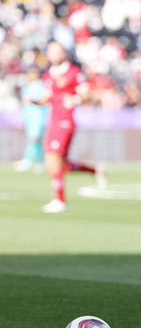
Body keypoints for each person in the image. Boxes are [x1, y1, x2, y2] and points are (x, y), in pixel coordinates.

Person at [36, 42, 105, 213]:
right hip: (53, 121)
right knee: (60, 164)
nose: (54, 55)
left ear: (63, 54)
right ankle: (94, 170)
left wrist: (75, 99)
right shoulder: (48, 75)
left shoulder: (73, 72)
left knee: (53, 159)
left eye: (57, 51)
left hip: (65, 121)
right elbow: (47, 97)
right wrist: (35, 102)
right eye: (51, 52)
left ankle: (60, 200)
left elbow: (86, 95)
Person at [13, 67, 48, 172]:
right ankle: (40, 161)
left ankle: (29, 159)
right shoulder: (27, 87)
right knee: (33, 139)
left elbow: (44, 102)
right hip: (29, 118)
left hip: (38, 117)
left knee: (34, 139)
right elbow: (25, 105)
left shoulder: (42, 86)